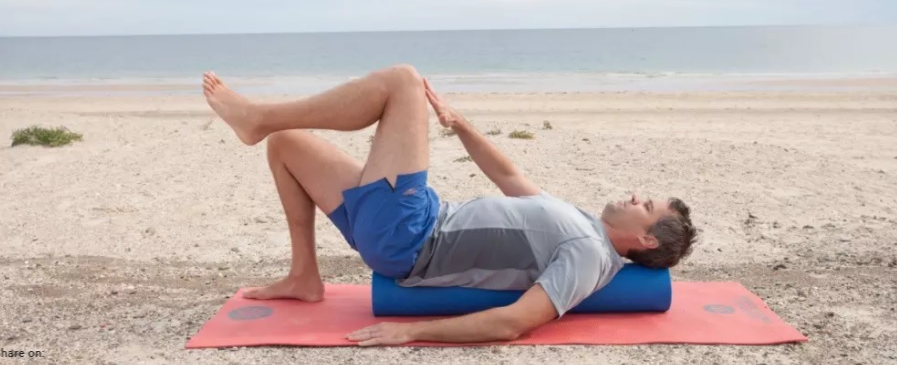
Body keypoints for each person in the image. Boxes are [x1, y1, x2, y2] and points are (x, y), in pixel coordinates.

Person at [201, 64, 697, 346]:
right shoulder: (583, 224)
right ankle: (303, 276)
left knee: (402, 81)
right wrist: (460, 127)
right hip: (411, 224)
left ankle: (257, 116)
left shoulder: (589, 256)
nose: (635, 194)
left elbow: (515, 322)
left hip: (413, 237)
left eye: (645, 203)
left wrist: (414, 332)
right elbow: (510, 177)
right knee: (287, 145)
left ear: (646, 238)